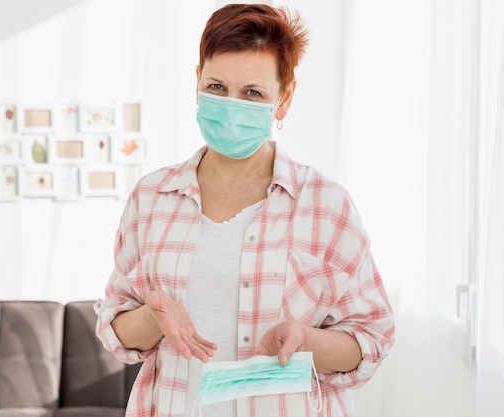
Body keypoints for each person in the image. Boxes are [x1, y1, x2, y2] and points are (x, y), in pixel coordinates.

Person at [95, 3, 395, 416]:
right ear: (197, 79)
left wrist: (306, 339)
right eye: (216, 87)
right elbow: (118, 329)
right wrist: (154, 317)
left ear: (284, 98)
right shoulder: (151, 198)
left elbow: (371, 338)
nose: (231, 106)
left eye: (252, 93)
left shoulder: (326, 205)